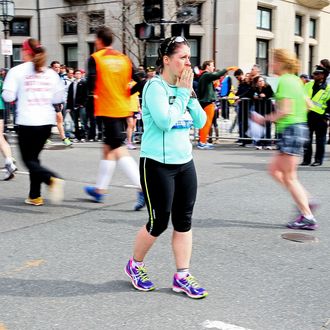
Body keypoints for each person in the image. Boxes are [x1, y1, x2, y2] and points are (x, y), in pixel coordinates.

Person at [125, 36, 208, 299]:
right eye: (183, 57)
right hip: (157, 164)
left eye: (189, 57)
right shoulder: (154, 87)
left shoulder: (184, 87)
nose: (188, 62)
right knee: (158, 222)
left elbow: (201, 119)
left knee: (184, 221)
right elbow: (163, 122)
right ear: (166, 60)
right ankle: (134, 265)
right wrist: (183, 93)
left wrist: (190, 94)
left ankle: (182, 275)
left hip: (185, 162)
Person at [252, 48, 317, 230]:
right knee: (274, 170)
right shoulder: (296, 80)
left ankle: (307, 216)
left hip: (291, 129)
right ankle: (306, 201)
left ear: (281, 62)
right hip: (294, 129)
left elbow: (285, 110)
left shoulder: (285, 81)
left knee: (289, 177)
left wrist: (263, 118)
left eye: (274, 60)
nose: (271, 64)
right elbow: (309, 105)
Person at [84, 27, 145, 210]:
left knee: (118, 148)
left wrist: (88, 97)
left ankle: (142, 188)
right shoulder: (123, 58)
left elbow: (91, 82)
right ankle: (100, 190)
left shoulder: (96, 58)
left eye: (95, 40)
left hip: (107, 107)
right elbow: (141, 81)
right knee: (108, 147)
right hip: (122, 107)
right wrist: (127, 92)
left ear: (99, 41)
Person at [2, 38, 65, 206]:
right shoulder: (50, 73)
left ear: (26, 52)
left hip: (27, 121)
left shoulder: (17, 71)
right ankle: (34, 196)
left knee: (28, 160)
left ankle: (51, 179)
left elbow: (7, 96)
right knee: (34, 158)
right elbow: (59, 97)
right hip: (46, 122)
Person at [197, 60, 237, 149]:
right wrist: (228, 69)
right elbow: (217, 75)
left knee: (206, 123)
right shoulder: (206, 75)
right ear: (207, 66)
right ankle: (202, 142)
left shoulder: (204, 76)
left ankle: (203, 141)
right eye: (212, 65)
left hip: (205, 102)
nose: (213, 67)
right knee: (206, 123)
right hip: (207, 102)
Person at [301, 65, 330, 166]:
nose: (314, 75)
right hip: (307, 115)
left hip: (321, 117)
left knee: (320, 140)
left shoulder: (328, 88)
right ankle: (306, 159)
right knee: (306, 139)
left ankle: (318, 160)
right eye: (314, 73)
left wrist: (327, 117)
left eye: (317, 74)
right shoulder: (308, 85)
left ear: (323, 76)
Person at [50, 60, 72, 146]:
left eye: (59, 67)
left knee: (59, 119)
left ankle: (63, 138)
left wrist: (61, 101)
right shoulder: (49, 77)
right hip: (49, 101)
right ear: (52, 68)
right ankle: (63, 138)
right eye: (55, 67)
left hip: (56, 101)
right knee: (55, 118)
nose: (57, 69)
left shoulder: (60, 77)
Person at [0, 73, 17, 180]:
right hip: (0, 108)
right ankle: (9, 161)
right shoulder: (1, 82)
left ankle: (9, 162)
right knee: (0, 137)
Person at [251, 75, 274, 149]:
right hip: (259, 109)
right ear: (257, 83)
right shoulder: (255, 89)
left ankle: (268, 143)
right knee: (260, 127)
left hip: (267, 109)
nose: (261, 82)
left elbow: (271, 94)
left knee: (268, 126)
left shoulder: (268, 87)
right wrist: (254, 97)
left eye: (262, 81)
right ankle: (259, 143)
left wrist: (265, 95)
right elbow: (250, 94)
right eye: (259, 81)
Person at [66, 69, 88, 142]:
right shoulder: (72, 84)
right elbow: (69, 96)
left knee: (82, 122)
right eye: (76, 73)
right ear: (74, 75)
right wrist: (68, 107)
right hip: (73, 106)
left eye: (79, 73)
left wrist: (83, 104)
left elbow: (86, 95)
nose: (78, 75)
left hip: (81, 106)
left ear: (81, 75)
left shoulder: (84, 83)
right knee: (75, 123)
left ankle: (83, 137)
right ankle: (77, 137)